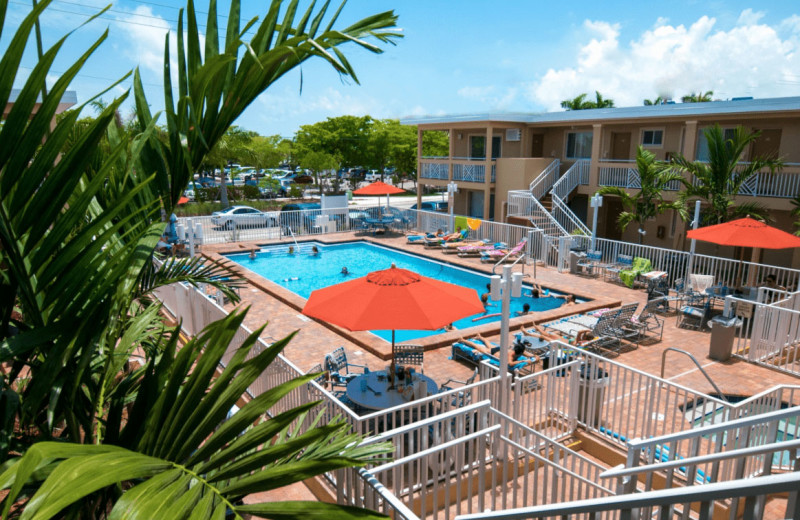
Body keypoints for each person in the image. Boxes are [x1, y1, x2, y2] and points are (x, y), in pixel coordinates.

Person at [461, 335, 536, 368]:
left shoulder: (519, 351)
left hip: (501, 350)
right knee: (477, 347)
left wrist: (532, 356)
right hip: (495, 352)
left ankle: (479, 336)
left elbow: (525, 353)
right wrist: (522, 361)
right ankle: (462, 340)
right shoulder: (511, 354)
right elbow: (510, 364)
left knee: (489, 345)